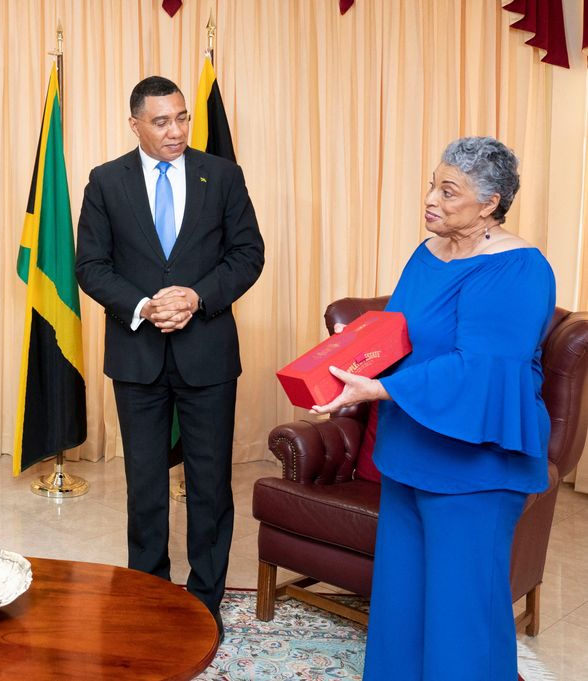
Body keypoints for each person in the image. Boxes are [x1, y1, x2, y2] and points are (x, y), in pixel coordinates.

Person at [312, 136, 554, 680]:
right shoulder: (427, 254)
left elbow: (483, 368)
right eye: (432, 184)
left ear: (489, 204)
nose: (431, 199)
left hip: (475, 466)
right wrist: (353, 349)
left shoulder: (518, 269)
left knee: (462, 617)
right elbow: (399, 334)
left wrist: (379, 392)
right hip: (411, 450)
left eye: (449, 191)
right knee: (401, 606)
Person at [75, 76, 264, 634]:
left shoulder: (222, 175)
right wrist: (142, 305)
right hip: (137, 354)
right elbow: (90, 265)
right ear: (134, 124)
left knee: (209, 483)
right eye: (161, 121)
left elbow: (248, 253)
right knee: (145, 484)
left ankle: (205, 601)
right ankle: (149, 593)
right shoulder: (106, 182)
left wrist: (197, 297)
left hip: (207, 353)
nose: (176, 130)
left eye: (182, 118)